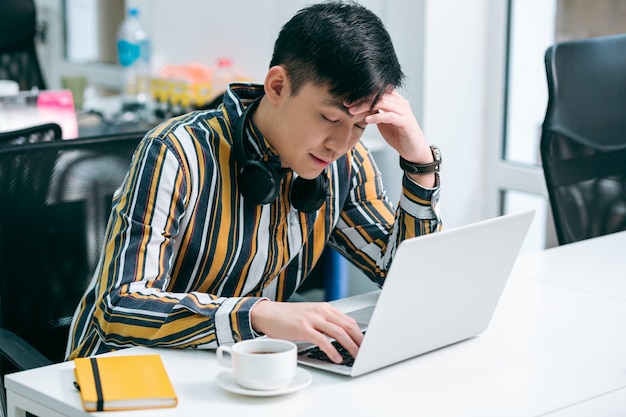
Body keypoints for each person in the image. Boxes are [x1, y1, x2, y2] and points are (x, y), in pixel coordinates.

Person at [66, 1, 442, 364]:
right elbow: (118, 308)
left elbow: (405, 279)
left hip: (231, 370)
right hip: (116, 377)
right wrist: (257, 315)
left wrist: (420, 165)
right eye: (330, 118)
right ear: (277, 86)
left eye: (359, 126)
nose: (340, 144)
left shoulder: (345, 162)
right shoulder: (176, 152)